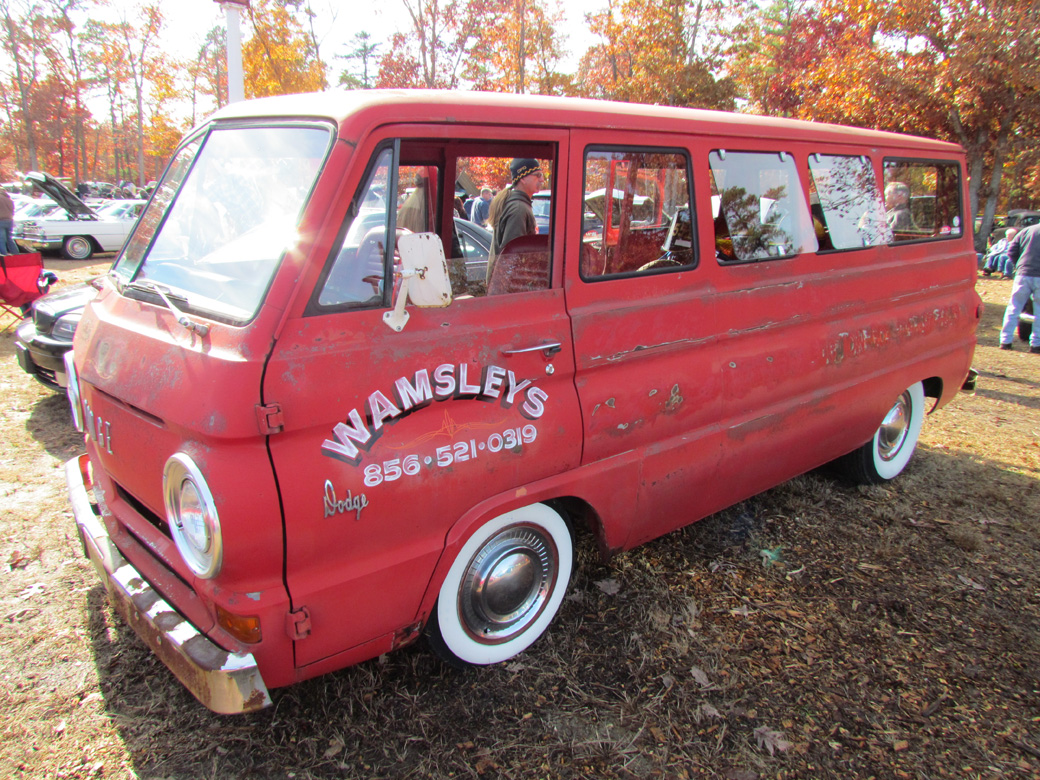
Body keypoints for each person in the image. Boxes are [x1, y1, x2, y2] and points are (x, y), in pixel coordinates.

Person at [486, 159, 542, 283]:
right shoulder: (518, 209)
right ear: (522, 178)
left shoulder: (518, 205)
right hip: (510, 289)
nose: (542, 179)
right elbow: (512, 259)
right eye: (537, 175)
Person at [998, 223, 1040, 353]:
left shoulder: (1025, 231)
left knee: (1013, 308)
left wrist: (1018, 266)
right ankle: (1036, 344)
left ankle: (1005, 341)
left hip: (1022, 274)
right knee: (1039, 311)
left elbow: (1011, 251)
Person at [0, 188, 18, 255]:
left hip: (1, 221)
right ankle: (16, 254)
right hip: (9, 221)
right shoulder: (9, 200)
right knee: (9, 239)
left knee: (1, 239)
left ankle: (4, 255)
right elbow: (12, 211)